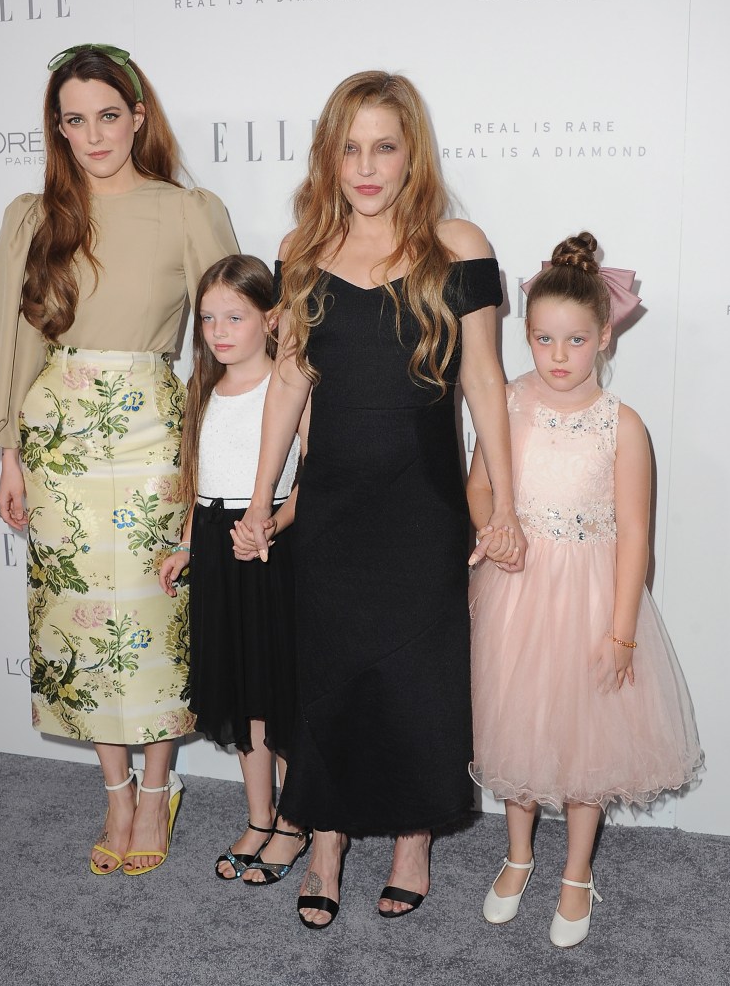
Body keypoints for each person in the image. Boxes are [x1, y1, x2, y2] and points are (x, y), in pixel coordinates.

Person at [240, 70, 525, 929]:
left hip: (424, 500)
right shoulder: (300, 249)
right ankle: (324, 839)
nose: (366, 167)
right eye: (350, 148)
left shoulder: (459, 245)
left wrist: (501, 505)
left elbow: (484, 383)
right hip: (332, 503)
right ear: (331, 156)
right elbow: (289, 382)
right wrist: (262, 501)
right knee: (328, 673)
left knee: (416, 674)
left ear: (412, 155)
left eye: (384, 147)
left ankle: (412, 837)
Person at [0, 44, 238, 876]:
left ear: (139, 116)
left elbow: (224, 343)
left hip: (154, 431)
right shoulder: (31, 214)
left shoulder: (187, 209)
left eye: (109, 115)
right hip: (58, 439)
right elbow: (9, 343)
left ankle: (159, 790)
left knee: (155, 613)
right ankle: (115, 790)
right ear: (59, 127)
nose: (94, 134)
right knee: (76, 619)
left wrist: (218, 450)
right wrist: (11, 454)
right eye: (75, 119)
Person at [468, 233, 702, 947]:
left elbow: (636, 536)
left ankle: (575, 871)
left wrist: (623, 630)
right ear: (527, 336)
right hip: (515, 589)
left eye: (574, 339)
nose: (559, 355)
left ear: (604, 335)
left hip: (592, 601)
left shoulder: (622, 425)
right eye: (543, 338)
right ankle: (517, 856)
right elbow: (478, 488)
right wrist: (496, 527)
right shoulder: (505, 402)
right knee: (516, 726)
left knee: (582, 740)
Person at [158, 254, 311, 885]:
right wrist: (190, 545)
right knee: (243, 692)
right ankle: (259, 816)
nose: (219, 331)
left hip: (272, 543)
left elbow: (312, 476)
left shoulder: (290, 382)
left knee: (280, 690)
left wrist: (273, 523)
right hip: (219, 545)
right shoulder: (204, 389)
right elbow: (201, 483)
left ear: (271, 319)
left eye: (235, 317)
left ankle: (297, 823)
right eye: (208, 319)